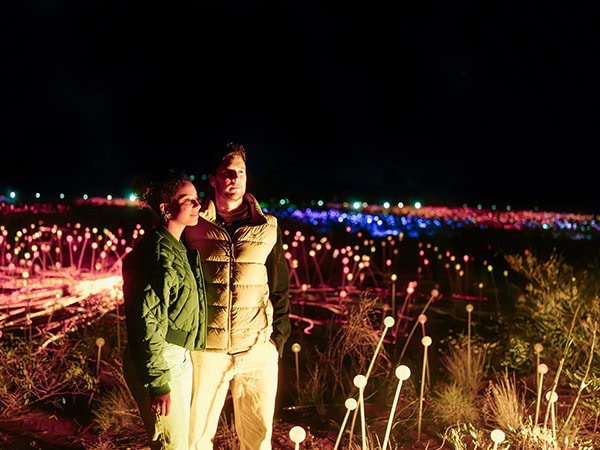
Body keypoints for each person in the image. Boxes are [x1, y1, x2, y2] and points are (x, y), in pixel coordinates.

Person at [184, 143, 291, 450]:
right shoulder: (193, 223)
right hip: (207, 349)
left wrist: (276, 340)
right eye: (226, 172)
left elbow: (279, 286)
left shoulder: (268, 226)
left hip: (257, 347)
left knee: (257, 440)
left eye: (240, 171)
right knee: (196, 439)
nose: (235, 177)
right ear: (213, 179)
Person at [121, 169, 207, 450]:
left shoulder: (174, 245)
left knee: (179, 442)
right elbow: (147, 321)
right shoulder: (157, 254)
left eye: (197, 198)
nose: (198, 205)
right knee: (172, 445)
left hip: (175, 356)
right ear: (165, 207)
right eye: (188, 200)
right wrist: (159, 382)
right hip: (162, 359)